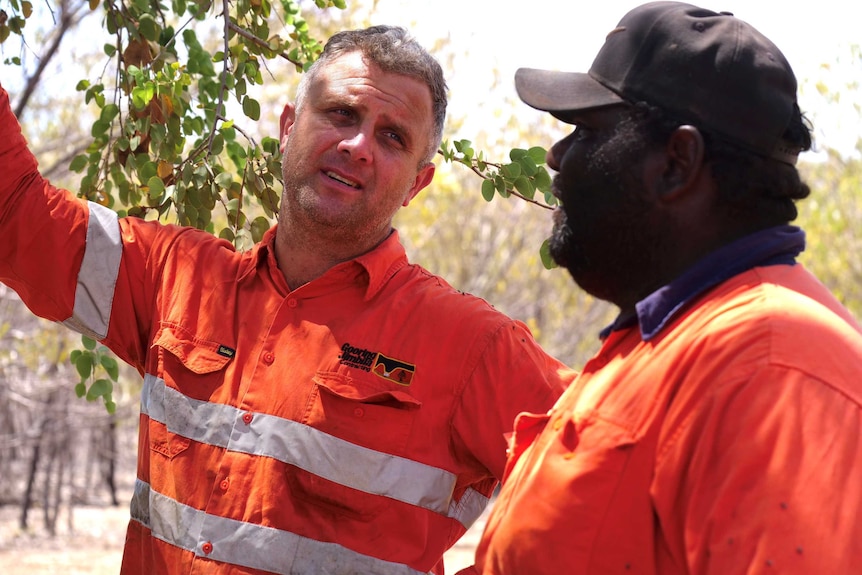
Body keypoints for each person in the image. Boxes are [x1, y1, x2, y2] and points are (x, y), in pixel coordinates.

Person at [0, 26, 572, 574]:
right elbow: (17, 217)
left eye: (392, 136)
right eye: (341, 113)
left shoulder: (471, 344)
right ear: (287, 127)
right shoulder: (175, 276)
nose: (357, 145)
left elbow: (614, 480)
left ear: (417, 185)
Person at [461, 3, 862, 574]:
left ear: (677, 163)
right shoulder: (668, 339)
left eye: (587, 130)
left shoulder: (772, 371)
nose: (557, 154)